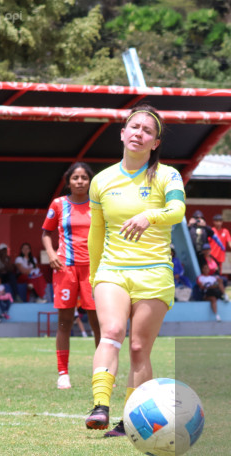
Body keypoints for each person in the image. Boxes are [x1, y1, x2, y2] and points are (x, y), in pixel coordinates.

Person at [85, 104, 185, 438]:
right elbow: (96, 233)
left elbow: (177, 210)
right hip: (112, 269)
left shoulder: (167, 175)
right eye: (134, 127)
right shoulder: (101, 181)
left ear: (155, 143)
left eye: (147, 131)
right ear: (122, 133)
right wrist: (93, 274)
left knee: (139, 348)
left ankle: (129, 420)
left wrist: (150, 216)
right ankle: (100, 405)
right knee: (111, 331)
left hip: (155, 271)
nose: (139, 134)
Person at [42, 162, 102, 389]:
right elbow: (46, 233)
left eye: (84, 178)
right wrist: (50, 253)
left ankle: (101, 373)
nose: (80, 181)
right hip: (65, 270)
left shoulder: (98, 205)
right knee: (64, 323)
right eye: (75, 178)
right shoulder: (58, 204)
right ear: (68, 181)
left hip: (93, 271)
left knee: (98, 323)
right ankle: (63, 373)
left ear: (90, 181)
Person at [210, 214, 231, 280]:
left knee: (218, 274)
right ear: (214, 222)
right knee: (211, 273)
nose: (218, 223)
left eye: (220, 221)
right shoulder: (211, 231)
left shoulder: (225, 231)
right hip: (211, 256)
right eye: (216, 221)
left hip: (220, 257)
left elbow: (230, 243)